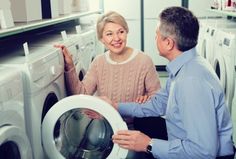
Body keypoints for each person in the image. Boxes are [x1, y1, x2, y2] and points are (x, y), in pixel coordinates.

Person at [101, 6, 235, 159]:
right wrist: (115, 106)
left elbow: (203, 152)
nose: (155, 38)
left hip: (206, 155)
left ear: (169, 43)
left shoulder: (190, 81)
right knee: (144, 123)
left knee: (141, 147)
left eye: (156, 34)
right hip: (185, 139)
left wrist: (148, 144)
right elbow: (159, 104)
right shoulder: (185, 64)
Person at [55, 11, 161, 125]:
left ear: (126, 32)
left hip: (136, 127)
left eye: (121, 32)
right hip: (107, 126)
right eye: (109, 34)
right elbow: (82, 94)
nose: (116, 38)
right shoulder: (98, 62)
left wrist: (147, 99)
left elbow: (158, 100)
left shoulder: (144, 60)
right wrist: (70, 66)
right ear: (101, 39)